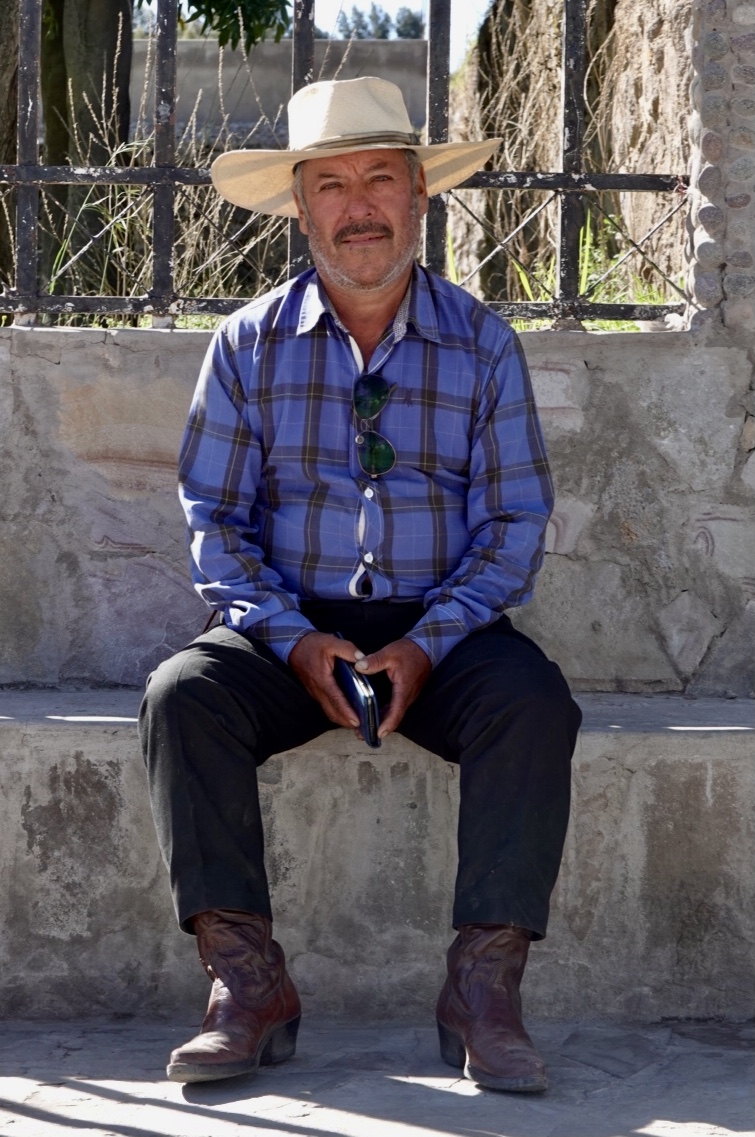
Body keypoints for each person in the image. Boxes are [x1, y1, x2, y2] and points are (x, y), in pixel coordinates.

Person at [139, 76, 582, 1095]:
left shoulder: (482, 342)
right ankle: (246, 987)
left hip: (443, 628)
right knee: (182, 697)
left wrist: (427, 645)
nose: (358, 206)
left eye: (379, 177)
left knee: (532, 704)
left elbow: (512, 525)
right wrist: (294, 641)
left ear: (418, 195)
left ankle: (481, 993)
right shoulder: (246, 343)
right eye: (330, 185)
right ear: (300, 208)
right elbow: (215, 523)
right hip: (284, 630)